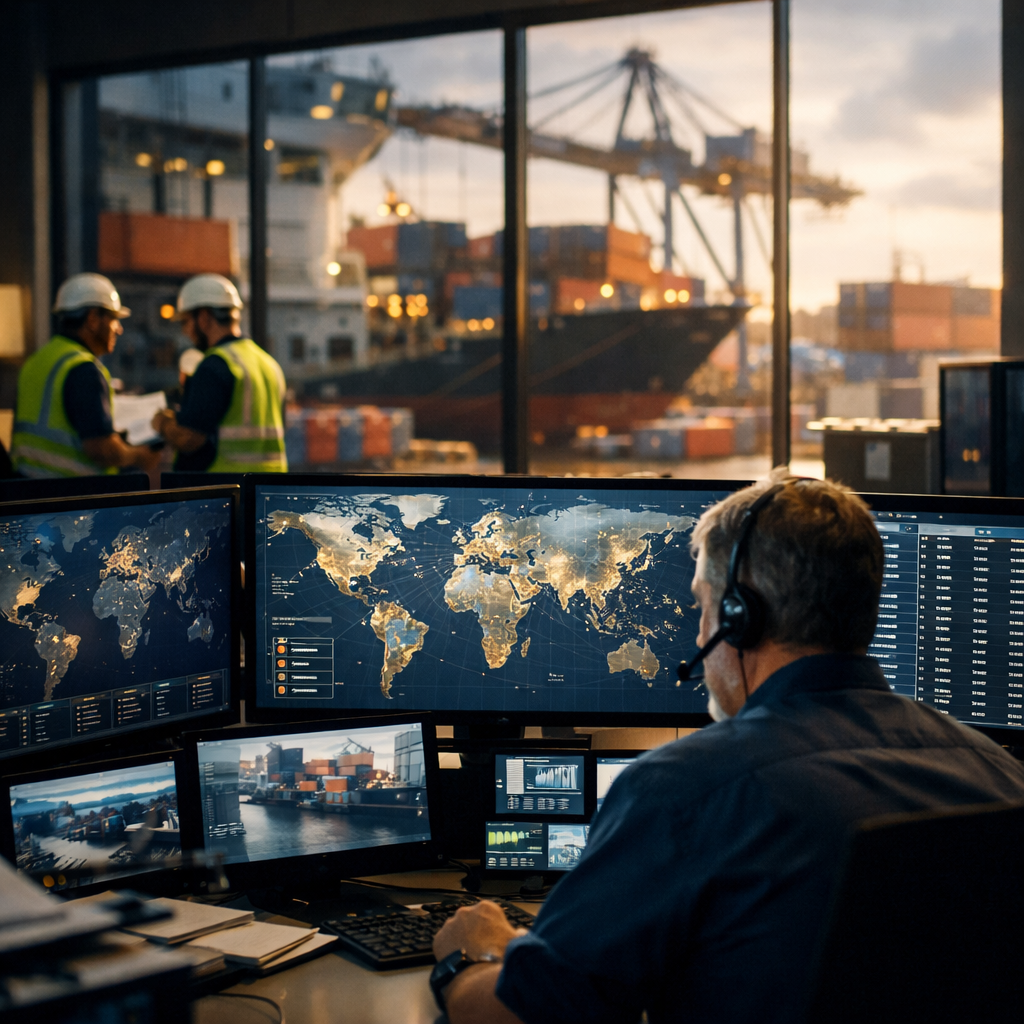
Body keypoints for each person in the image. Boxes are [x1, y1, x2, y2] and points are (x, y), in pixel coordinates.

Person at [431, 472, 1024, 1024]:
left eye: (703, 606)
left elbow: (525, 1014)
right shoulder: (1000, 777)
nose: (699, 634)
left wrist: (471, 957)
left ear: (739, 618)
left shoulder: (685, 792)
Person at [11, 273, 161, 478]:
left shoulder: (37, 361)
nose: (119, 329)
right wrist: (138, 457)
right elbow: (100, 448)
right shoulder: (83, 369)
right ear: (92, 319)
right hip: (71, 499)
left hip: (27, 494)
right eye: (114, 319)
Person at [151, 273, 287, 472]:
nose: (185, 331)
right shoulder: (268, 363)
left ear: (204, 317)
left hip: (228, 490)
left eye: (186, 322)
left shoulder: (215, 365)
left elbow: (189, 438)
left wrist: (162, 423)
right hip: (270, 488)